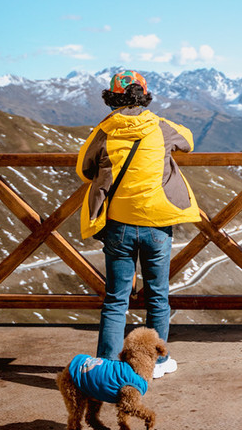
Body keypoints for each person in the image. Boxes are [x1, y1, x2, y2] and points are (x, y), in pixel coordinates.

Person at [76, 70, 202, 379]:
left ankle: (105, 364)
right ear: (143, 95)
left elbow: (84, 169)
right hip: (158, 223)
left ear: (113, 96)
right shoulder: (161, 127)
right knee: (157, 294)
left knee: (116, 298)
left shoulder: (104, 130)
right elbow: (189, 141)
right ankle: (156, 362)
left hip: (118, 223)